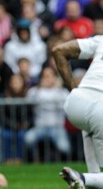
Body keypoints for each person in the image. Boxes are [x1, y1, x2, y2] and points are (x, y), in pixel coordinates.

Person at [52, 36, 103, 189]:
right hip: (100, 109)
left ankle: (83, 181)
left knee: (96, 174)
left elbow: (58, 50)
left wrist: (74, 89)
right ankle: (81, 178)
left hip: (76, 102)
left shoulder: (101, 40)